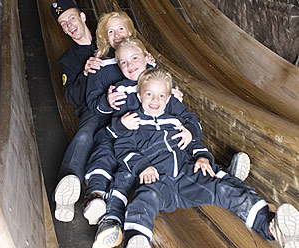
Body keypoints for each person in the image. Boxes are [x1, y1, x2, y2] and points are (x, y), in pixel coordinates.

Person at [96, 68, 299, 248]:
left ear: (168, 99)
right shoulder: (134, 122)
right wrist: (143, 167)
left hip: (186, 177)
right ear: (140, 96)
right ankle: (137, 238)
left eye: (161, 95)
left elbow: (193, 145)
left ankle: (271, 228)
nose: (155, 100)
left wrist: (203, 158)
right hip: (157, 182)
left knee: (223, 189)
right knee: (143, 201)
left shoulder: (175, 122)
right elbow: (123, 148)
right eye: (149, 94)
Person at [88, 38, 250, 247]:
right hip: (136, 148)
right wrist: (119, 121)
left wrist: (189, 130)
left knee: (187, 152)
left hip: (166, 151)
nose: (129, 65)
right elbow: (116, 131)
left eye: (135, 59)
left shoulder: (164, 86)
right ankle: (111, 220)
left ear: (147, 58)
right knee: (124, 173)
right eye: (124, 63)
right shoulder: (121, 91)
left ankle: (224, 175)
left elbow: (185, 120)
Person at [50, 0, 107, 222]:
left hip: (122, 102)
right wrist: (85, 74)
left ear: (82, 17)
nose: (68, 25)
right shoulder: (69, 60)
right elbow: (71, 97)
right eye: (63, 24)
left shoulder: (107, 38)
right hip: (93, 108)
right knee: (85, 135)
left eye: (71, 18)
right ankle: (69, 183)